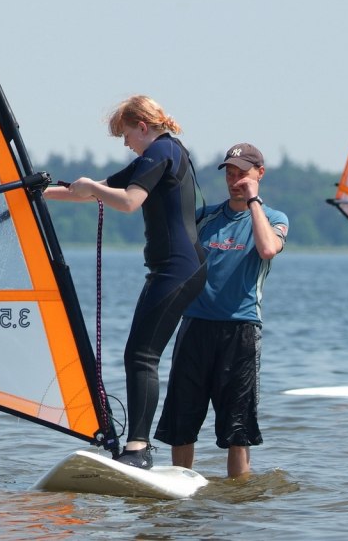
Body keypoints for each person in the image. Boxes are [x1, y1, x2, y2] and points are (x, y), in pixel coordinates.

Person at [43, 95, 206, 470]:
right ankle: (138, 446)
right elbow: (88, 190)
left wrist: (92, 187)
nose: (125, 143)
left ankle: (138, 448)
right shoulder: (162, 153)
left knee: (141, 354)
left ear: (142, 127)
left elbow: (129, 202)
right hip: (175, 268)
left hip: (178, 269)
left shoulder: (160, 152)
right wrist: (34, 194)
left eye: (125, 135)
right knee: (140, 353)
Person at [154, 143, 288, 478]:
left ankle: (237, 499)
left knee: (236, 432)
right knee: (181, 423)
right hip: (195, 327)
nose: (234, 180)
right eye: (229, 173)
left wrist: (253, 200)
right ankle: (178, 491)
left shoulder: (273, 219)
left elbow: (268, 248)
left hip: (241, 331)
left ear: (259, 174)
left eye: (242, 173)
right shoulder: (205, 217)